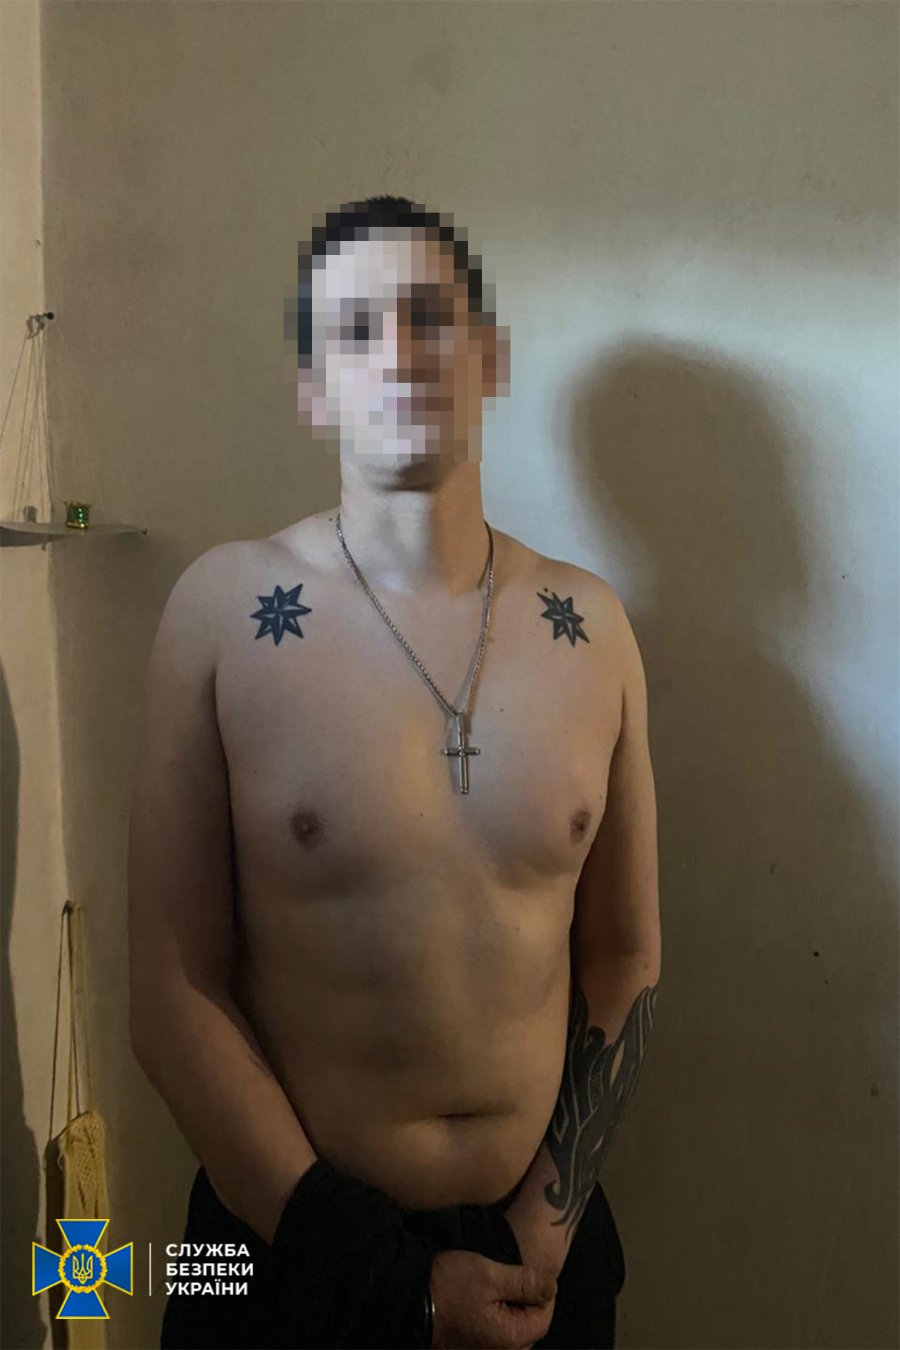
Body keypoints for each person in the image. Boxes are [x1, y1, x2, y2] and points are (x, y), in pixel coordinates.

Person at [128, 195, 661, 1349]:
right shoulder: (221, 612)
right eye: (357, 329)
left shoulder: (593, 628)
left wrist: (542, 1237)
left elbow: (624, 955)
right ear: (313, 390)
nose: (401, 352)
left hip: (542, 1254)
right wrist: (375, 1278)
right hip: (275, 1249)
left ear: (490, 359)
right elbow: (172, 992)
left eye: (430, 316)